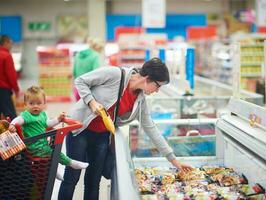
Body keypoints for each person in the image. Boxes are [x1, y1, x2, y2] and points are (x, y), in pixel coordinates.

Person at [58, 58, 192, 200]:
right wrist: (92, 103)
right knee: (71, 177)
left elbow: (151, 129)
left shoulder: (140, 101)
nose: (157, 91)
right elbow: (80, 81)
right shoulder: (114, 74)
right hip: (80, 130)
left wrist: (173, 160)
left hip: (102, 136)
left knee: (93, 181)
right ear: (147, 78)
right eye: (158, 86)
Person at [8, 86, 89, 180]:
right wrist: (13, 125)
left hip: (42, 144)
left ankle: (53, 172)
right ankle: (71, 163)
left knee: (51, 152)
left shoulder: (43, 114)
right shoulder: (26, 115)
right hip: (34, 146)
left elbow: (48, 124)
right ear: (25, 104)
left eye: (38, 103)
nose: (35, 106)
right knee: (55, 153)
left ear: (44, 104)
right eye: (31, 103)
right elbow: (17, 120)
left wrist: (58, 119)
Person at [0, 35, 19, 120]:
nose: (11, 45)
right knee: (11, 116)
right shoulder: (6, 56)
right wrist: (16, 89)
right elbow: (11, 75)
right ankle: (14, 133)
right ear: (6, 42)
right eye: (11, 43)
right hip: (3, 90)